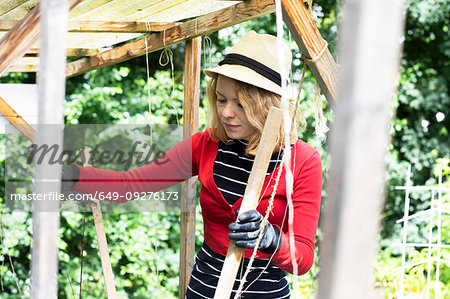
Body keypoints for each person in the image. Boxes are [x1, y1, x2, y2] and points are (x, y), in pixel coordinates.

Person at [62, 31, 322, 298]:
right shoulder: (205, 145)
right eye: (221, 99)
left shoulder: (303, 161)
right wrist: (73, 176)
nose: (226, 113)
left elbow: (302, 259)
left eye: (240, 104)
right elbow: (132, 183)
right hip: (202, 290)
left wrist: (271, 239)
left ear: (268, 105)